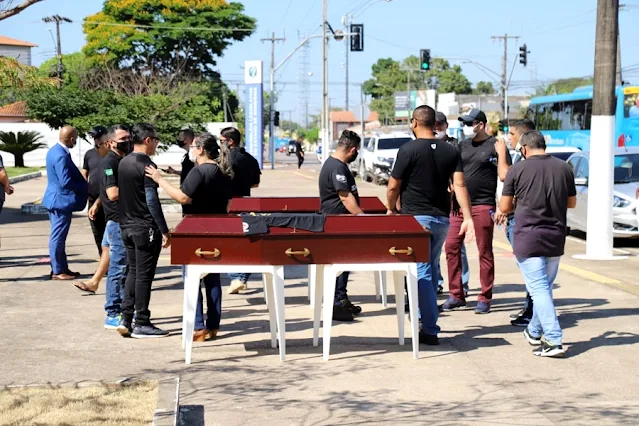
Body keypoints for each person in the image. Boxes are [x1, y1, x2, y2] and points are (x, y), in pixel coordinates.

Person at [387, 106, 475, 345]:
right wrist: (467, 217)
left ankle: (429, 327)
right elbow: (460, 185)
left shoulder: (407, 150)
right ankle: (423, 317)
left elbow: (394, 185)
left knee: (421, 272)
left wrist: (392, 208)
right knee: (431, 268)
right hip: (442, 220)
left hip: (416, 219)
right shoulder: (450, 150)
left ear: (415, 122)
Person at [146, 133, 233, 341]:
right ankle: (213, 325)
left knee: (192, 278)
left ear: (201, 149)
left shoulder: (200, 171)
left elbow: (183, 197)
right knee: (212, 279)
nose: (191, 149)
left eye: (193, 146)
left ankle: (198, 327)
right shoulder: (222, 172)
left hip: (197, 230)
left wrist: (160, 179)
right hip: (217, 228)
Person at [499, 130, 576, 358]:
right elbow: (571, 203)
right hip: (555, 237)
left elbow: (504, 208)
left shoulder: (518, 169)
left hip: (528, 237)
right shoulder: (564, 168)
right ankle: (534, 331)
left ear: (524, 149)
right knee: (544, 288)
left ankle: (553, 340)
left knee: (539, 289)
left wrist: (521, 203)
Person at [442, 109, 512, 314]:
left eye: (469, 123)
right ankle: (456, 294)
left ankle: (485, 297)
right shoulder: (460, 146)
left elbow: (506, 177)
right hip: (458, 206)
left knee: (484, 251)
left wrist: (501, 206)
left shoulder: (495, 146)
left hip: (483, 204)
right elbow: (450, 171)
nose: (466, 127)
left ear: (480, 125)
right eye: (464, 123)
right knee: (451, 246)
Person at [116, 123, 170, 338]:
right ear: (148, 140)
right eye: (156, 140)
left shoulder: (124, 162)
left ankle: (125, 317)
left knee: (133, 272)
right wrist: (164, 229)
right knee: (144, 276)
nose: (157, 144)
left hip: (126, 226)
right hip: (144, 227)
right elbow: (151, 200)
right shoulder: (146, 164)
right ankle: (142, 321)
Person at [319, 129, 365, 321]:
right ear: (353, 149)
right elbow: (345, 198)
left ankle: (341, 299)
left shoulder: (336, 165)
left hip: (341, 221)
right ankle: (336, 304)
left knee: (343, 264)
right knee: (339, 264)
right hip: (337, 222)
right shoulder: (336, 167)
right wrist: (363, 217)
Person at [96, 125, 132, 329]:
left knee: (121, 265)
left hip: (122, 220)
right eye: (122, 138)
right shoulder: (109, 162)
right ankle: (112, 312)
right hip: (116, 221)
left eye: (128, 137)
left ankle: (122, 309)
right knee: (118, 268)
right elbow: (112, 193)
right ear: (111, 142)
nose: (127, 141)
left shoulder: (122, 160)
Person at [42, 126, 88, 280]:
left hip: (56, 199)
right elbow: (65, 181)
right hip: (60, 201)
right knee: (58, 237)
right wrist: (84, 187)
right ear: (72, 139)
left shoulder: (54, 150)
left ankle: (63, 268)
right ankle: (57, 271)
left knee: (59, 236)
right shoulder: (61, 155)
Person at [220, 127, 262, 294]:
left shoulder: (223, 159)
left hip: (229, 204)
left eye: (221, 141)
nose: (220, 144)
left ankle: (237, 277)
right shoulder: (251, 159)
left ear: (230, 141)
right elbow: (255, 184)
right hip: (246, 203)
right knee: (246, 240)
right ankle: (240, 277)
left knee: (230, 242)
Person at [434, 112, 470, 296]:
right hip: (435, 201)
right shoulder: (427, 146)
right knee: (435, 247)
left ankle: (463, 283)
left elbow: (461, 173)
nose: (437, 129)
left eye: (440, 125)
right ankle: (438, 281)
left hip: (454, 202)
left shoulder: (456, 146)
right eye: (434, 125)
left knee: (456, 245)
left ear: (446, 125)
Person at [505, 119, 537, 327]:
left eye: (512, 135)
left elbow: (505, 178)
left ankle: (534, 316)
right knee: (533, 274)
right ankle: (530, 310)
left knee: (533, 274)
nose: (508, 138)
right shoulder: (520, 159)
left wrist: (500, 155)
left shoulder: (523, 165)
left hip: (523, 222)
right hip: (523, 220)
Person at [81, 126, 110, 257]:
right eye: (94, 137)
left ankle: (113, 264)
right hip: (92, 200)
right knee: (98, 234)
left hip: (109, 201)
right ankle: (103, 260)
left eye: (98, 137)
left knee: (111, 234)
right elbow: (84, 173)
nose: (96, 140)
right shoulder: (89, 154)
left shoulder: (111, 155)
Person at [165, 128, 195, 214]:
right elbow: (188, 173)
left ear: (187, 139)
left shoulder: (193, 157)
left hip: (190, 196)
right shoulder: (187, 156)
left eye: (180, 138)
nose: (178, 140)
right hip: (185, 193)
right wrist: (174, 172)